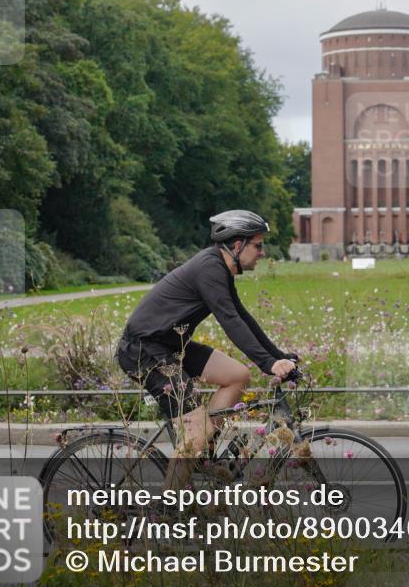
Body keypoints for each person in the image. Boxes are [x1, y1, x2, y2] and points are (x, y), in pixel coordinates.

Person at [115, 210, 297, 490]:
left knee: (237, 375)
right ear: (237, 245)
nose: (262, 253)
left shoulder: (219, 269)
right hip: (144, 350)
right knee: (195, 435)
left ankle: (202, 452)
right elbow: (231, 322)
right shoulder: (209, 268)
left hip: (171, 345)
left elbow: (243, 317)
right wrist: (269, 364)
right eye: (258, 245)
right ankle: (170, 510)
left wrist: (277, 357)